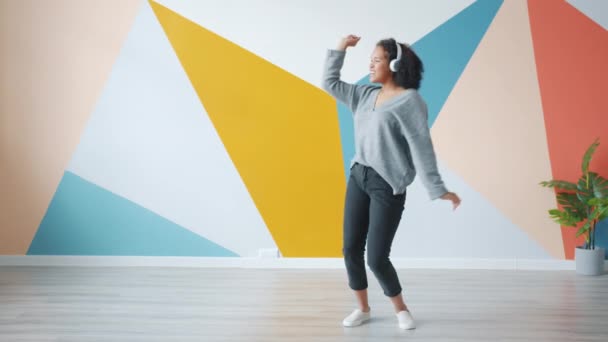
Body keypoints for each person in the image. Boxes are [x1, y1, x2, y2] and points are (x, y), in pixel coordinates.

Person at [322, 34, 462, 330]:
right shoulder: (364, 94)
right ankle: (362, 308)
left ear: (394, 64)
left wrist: (438, 189)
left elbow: (421, 146)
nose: (370, 65)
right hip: (359, 176)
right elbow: (330, 83)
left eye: (376, 60)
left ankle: (401, 309)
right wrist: (339, 49)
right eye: (370, 60)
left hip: (388, 184)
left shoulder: (410, 101)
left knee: (376, 257)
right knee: (350, 249)